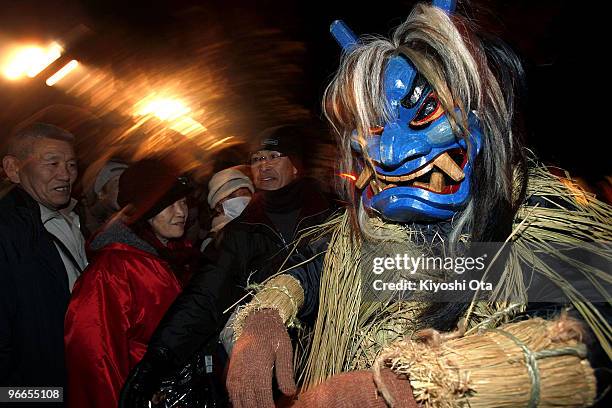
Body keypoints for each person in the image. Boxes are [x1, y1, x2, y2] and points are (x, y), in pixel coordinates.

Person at [225, 2, 611, 407]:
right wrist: (265, 316)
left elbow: (586, 330)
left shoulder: (534, 219)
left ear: (484, 113)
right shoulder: (375, 234)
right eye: (372, 127)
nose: (389, 151)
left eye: (425, 112)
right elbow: (317, 268)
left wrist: (423, 384)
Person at [119, 124, 334, 407]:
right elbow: (206, 295)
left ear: (295, 165)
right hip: (269, 379)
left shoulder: (333, 218)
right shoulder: (241, 231)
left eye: (274, 155)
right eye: (257, 159)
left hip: (331, 363)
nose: (264, 165)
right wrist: (159, 358)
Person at [64, 154, 193, 408]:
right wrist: (131, 395)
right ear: (143, 211)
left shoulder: (177, 257)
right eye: (168, 204)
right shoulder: (112, 270)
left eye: (184, 201)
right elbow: (94, 356)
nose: (181, 212)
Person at [0, 123, 86, 399]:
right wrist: (26, 396)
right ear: (13, 169)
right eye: (52, 163)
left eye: (71, 165)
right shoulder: (9, 231)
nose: (65, 174)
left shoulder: (72, 221)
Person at [200, 166, 254, 253]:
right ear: (218, 207)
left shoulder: (262, 225)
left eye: (244, 193)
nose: (241, 199)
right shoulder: (214, 241)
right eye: (231, 196)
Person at [82, 159, 128, 237]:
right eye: (118, 183)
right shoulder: (89, 233)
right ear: (101, 194)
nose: (126, 187)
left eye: (128, 182)